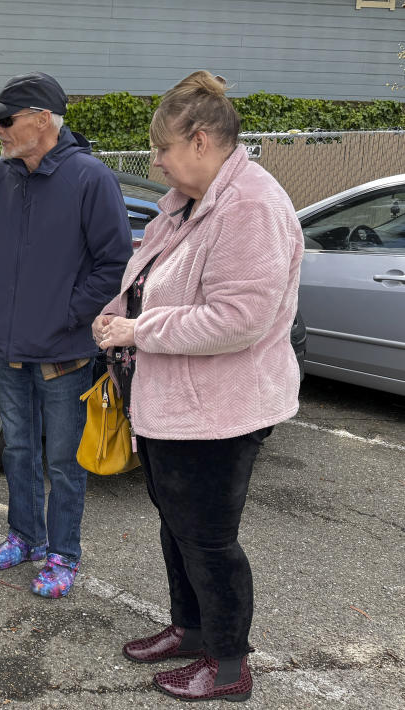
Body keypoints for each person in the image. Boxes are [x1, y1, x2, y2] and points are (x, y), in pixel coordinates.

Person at [94, 71, 303, 702]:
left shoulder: (250, 208)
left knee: (208, 540)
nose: (155, 162)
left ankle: (229, 665)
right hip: (173, 405)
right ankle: (189, 629)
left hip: (218, 412)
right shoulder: (189, 204)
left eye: (161, 149)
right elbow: (152, 281)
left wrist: (137, 329)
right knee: (176, 524)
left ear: (202, 140)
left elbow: (239, 319)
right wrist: (117, 313)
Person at [0, 72, 132, 598]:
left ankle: (64, 552)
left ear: (43, 121)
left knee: (64, 462)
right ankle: (25, 536)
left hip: (63, 352)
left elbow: (114, 264)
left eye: (6, 119)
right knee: (17, 450)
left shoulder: (91, 178)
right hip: (8, 347)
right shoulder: (0, 178)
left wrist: (68, 314)